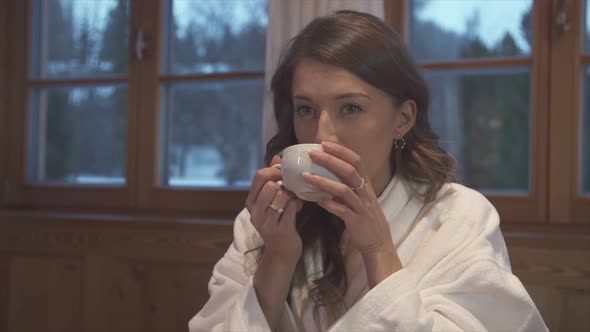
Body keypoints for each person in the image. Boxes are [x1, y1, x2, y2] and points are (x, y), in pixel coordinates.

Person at [188, 10, 547, 332]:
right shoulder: (263, 222)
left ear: (402, 119)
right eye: (306, 110)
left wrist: (378, 250)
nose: (322, 135)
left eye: (351, 109)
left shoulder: (458, 218)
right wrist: (277, 258)